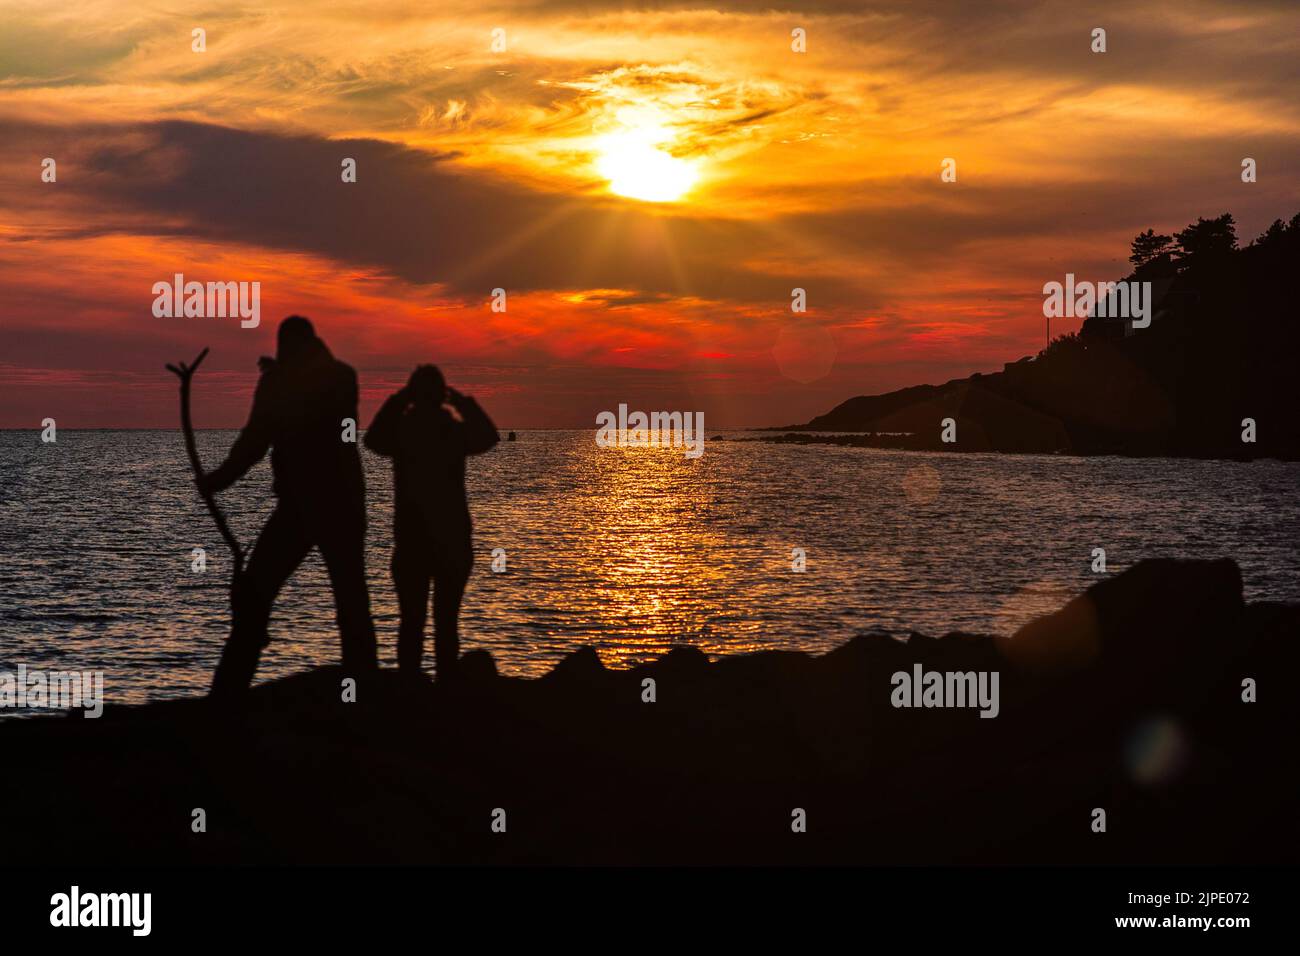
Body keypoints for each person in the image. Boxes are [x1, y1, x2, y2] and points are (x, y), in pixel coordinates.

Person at [200, 316, 377, 697]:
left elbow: (262, 438)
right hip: (315, 503)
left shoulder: (326, 379)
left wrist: (221, 478)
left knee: (344, 595)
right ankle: (230, 692)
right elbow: (256, 439)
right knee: (262, 592)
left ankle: (362, 688)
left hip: (329, 502)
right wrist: (221, 479)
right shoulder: (314, 378)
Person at [364, 365, 498, 680]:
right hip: (447, 541)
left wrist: (397, 401)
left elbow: (372, 440)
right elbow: (488, 436)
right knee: (445, 622)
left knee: (412, 621)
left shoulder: (404, 432)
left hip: (414, 542)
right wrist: (463, 402)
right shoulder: (450, 432)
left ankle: (412, 687)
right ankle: (445, 687)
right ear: (442, 396)